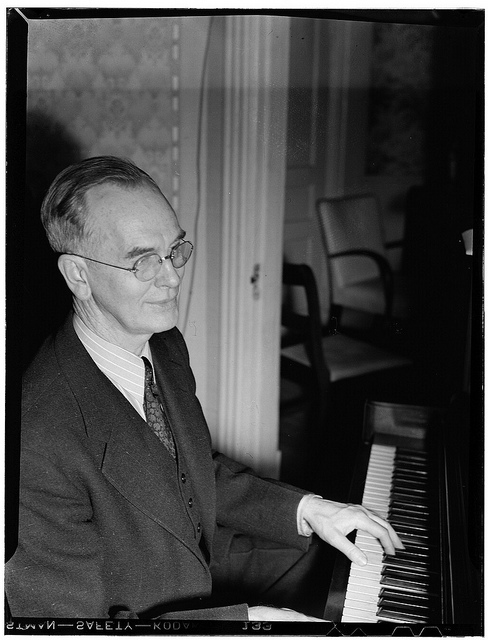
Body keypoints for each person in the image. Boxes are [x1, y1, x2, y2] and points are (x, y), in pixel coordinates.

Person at [5, 156, 403, 621]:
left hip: (199, 563)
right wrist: (246, 623)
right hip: (146, 615)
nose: (172, 278)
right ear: (78, 274)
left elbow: (192, 469)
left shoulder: (165, 345)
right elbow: (70, 631)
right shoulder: (33, 436)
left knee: (345, 563)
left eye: (174, 251)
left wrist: (310, 509)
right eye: (143, 262)